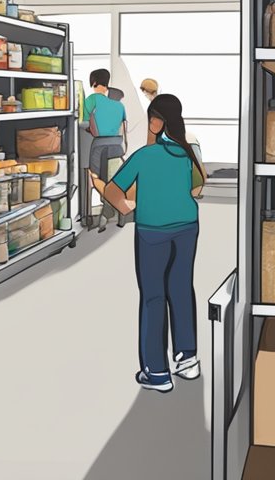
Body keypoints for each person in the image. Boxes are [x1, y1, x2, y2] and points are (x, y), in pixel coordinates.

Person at [93, 94, 206, 393]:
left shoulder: (144, 156)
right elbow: (198, 185)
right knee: (181, 289)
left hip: (152, 231)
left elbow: (114, 189)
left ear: (156, 121)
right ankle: (187, 359)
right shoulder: (186, 154)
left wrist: (129, 207)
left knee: (154, 295)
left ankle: (157, 372)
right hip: (187, 228)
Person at [84, 69, 127, 232]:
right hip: (117, 148)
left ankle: (104, 215)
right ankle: (118, 213)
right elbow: (123, 128)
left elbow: (83, 122)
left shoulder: (92, 99)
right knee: (114, 182)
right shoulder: (119, 105)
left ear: (93, 82)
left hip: (99, 148)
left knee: (97, 181)